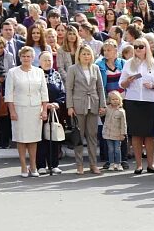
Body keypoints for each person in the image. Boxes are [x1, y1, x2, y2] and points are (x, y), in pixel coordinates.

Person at [120, 37, 154, 175]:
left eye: (141, 46)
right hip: (133, 100)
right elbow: (121, 84)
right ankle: (139, 165)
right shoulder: (128, 64)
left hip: (150, 101)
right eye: (136, 47)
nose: (138, 49)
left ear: (146, 48)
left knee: (150, 135)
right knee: (136, 134)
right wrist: (128, 81)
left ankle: (151, 164)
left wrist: (153, 85)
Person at [6, 46, 50, 177]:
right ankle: (23, 166)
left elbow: (44, 93)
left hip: (35, 109)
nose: (26, 58)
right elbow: (9, 94)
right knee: (21, 139)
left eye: (28, 56)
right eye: (23, 56)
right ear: (20, 58)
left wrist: (44, 110)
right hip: (19, 109)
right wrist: (12, 111)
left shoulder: (39, 72)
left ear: (33, 58)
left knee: (33, 139)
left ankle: (34, 165)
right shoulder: (13, 72)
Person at [66, 44, 106, 175]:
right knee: (79, 136)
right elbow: (69, 89)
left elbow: (100, 87)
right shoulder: (73, 69)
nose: (86, 56)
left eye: (88, 54)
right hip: (78, 106)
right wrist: (70, 106)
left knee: (92, 137)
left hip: (93, 105)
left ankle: (93, 165)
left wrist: (102, 105)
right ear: (79, 55)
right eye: (83, 54)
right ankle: (79, 165)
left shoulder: (95, 68)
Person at [37, 51, 66, 176]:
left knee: (54, 137)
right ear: (39, 62)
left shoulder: (57, 74)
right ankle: (41, 165)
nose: (48, 62)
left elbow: (62, 92)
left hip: (54, 111)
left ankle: (54, 165)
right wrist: (44, 105)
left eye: (49, 60)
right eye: (45, 60)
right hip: (40, 111)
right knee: (41, 138)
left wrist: (57, 103)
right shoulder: (36, 74)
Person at [102, 91, 128, 171]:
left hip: (117, 134)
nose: (115, 101)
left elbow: (124, 124)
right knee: (110, 150)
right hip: (108, 133)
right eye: (113, 99)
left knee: (117, 149)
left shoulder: (121, 111)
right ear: (109, 100)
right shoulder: (107, 109)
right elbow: (101, 115)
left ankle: (118, 163)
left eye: (117, 99)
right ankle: (111, 163)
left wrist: (123, 134)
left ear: (119, 100)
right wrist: (101, 111)